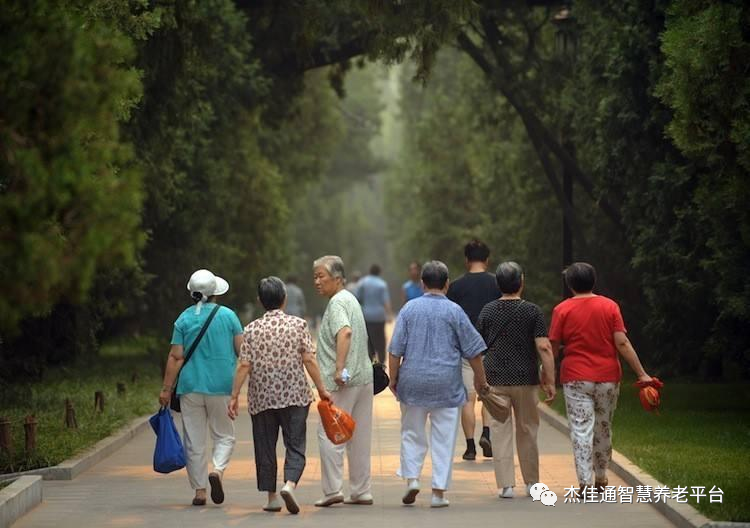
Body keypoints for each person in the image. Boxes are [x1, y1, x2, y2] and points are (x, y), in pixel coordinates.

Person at [389, 260, 489, 508]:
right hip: (447, 383)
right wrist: (481, 379)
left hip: (413, 381)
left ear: (422, 283)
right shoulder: (455, 311)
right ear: (447, 284)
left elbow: (395, 350)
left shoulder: (409, 310)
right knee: (444, 437)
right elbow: (474, 351)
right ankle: (438, 492)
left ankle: (412, 479)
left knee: (412, 432)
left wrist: (393, 378)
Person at [228, 277, 331, 514]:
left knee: (265, 447)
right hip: (295, 396)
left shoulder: (251, 329)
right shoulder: (298, 325)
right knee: (295, 445)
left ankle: (272, 498)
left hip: (261, 398)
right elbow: (309, 359)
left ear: (260, 301)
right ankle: (290, 484)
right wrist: (322, 390)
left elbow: (244, 365)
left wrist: (234, 396)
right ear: (284, 299)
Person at [548, 262, 653, 493]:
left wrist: (547, 376)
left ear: (570, 284)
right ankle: (602, 476)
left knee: (580, 429)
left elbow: (552, 348)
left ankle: (585, 482)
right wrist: (642, 373)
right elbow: (622, 343)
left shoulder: (562, 310)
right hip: (607, 377)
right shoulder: (610, 306)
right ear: (593, 280)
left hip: (575, 378)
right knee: (603, 426)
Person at [159, 269, 243, 506]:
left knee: (194, 441)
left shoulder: (184, 318)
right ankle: (217, 469)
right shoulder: (229, 316)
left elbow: (176, 357)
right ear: (215, 292)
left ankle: (199, 491)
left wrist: (166, 389)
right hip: (222, 386)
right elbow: (242, 352)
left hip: (190, 388)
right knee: (224, 436)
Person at [476, 262, 556, 499]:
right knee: (528, 429)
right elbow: (543, 346)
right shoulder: (532, 311)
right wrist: (550, 379)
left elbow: (478, 349)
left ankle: (506, 485)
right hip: (526, 378)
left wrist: (479, 380)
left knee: (500, 430)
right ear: (521, 282)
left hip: (495, 379)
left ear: (498, 284)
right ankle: (532, 483)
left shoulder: (487, 311)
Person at [313, 255, 374, 507]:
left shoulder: (337, 303)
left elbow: (345, 332)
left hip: (343, 381)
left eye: (321, 276)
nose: (317, 282)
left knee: (330, 432)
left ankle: (332, 490)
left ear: (337, 279)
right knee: (358, 436)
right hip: (363, 379)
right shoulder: (350, 298)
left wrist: (339, 368)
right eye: (314, 277)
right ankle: (361, 491)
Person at [447, 239, 500, 460]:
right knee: (487, 394)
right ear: (487, 260)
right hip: (492, 349)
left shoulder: (456, 286)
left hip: (465, 351)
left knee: (467, 399)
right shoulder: (498, 284)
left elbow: (450, 318)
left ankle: (470, 447)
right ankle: (486, 433)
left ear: (466, 260)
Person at [355, 264, 393, 363]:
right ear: (379, 272)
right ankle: (382, 363)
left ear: (369, 271)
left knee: (368, 340)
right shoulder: (382, 284)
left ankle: (370, 363)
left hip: (366, 316)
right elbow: (386, 301)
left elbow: (357, 297)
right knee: (381, 340)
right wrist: (389, 314)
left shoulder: (362, 283)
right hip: (379, 317)